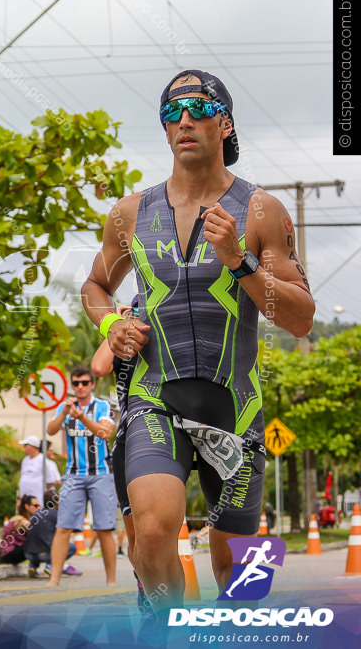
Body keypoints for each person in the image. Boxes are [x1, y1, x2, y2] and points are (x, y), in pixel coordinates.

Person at [81, 69, 314, 614]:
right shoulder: (130, 213)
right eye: (171, 112)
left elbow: (300, 317)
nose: (183, 120)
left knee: (241, 576)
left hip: (234, 404)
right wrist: (109, 324)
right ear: (164, 132)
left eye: (197, 108)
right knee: (156, 533)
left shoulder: (262, 211)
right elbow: (95, 285)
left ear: (224, 123)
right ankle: (163, 626)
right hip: (153, 396)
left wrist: (240, 260)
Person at [91, 300, 148, 613]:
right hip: (129, 437)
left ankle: (161, 592)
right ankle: (146, 587)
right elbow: (99, 367)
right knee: (134, 533)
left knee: (154, 529)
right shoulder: (124, 342)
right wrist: (116, 324)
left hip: (167, 437)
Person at [46, 365, 117, 587]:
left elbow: (105, 432)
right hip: (73, 475)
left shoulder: (103, 406)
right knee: (63, 527)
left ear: (92, 385)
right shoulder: (65, 407)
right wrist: (66, 414)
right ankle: (54, 579)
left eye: (85, 383)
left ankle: (111, 581)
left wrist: (82, 418)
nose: (80, 387)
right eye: (76, 383)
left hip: (101, 474)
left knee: (104, 529)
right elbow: (50, 430)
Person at [25, 489, 80, 579]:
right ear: (57, 503)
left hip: (29, 554)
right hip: (45, 555)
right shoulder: (57, 515)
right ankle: (50, 565)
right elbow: (73, 529)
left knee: (39, 543)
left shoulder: (36, 514)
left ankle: (32, 566)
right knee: (72, 548)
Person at [0, 494, 39, 566]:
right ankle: (38, 566)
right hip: (8, 554)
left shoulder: (23, 518)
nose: (38, 508)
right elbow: (35, 531)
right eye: (35, 506)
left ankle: (34, 567)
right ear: (26, 506)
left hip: (10, 552)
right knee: (36, 544)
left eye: (39, 505)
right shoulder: (20, 520)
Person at [18, 436, 61, 504]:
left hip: (38, 499)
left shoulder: (43, 460)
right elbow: (22, 478)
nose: (24, 447)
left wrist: (42, 492)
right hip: (25, 498)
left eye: (26, 445)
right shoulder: (25, 460)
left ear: (32, 446)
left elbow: (51, 480)